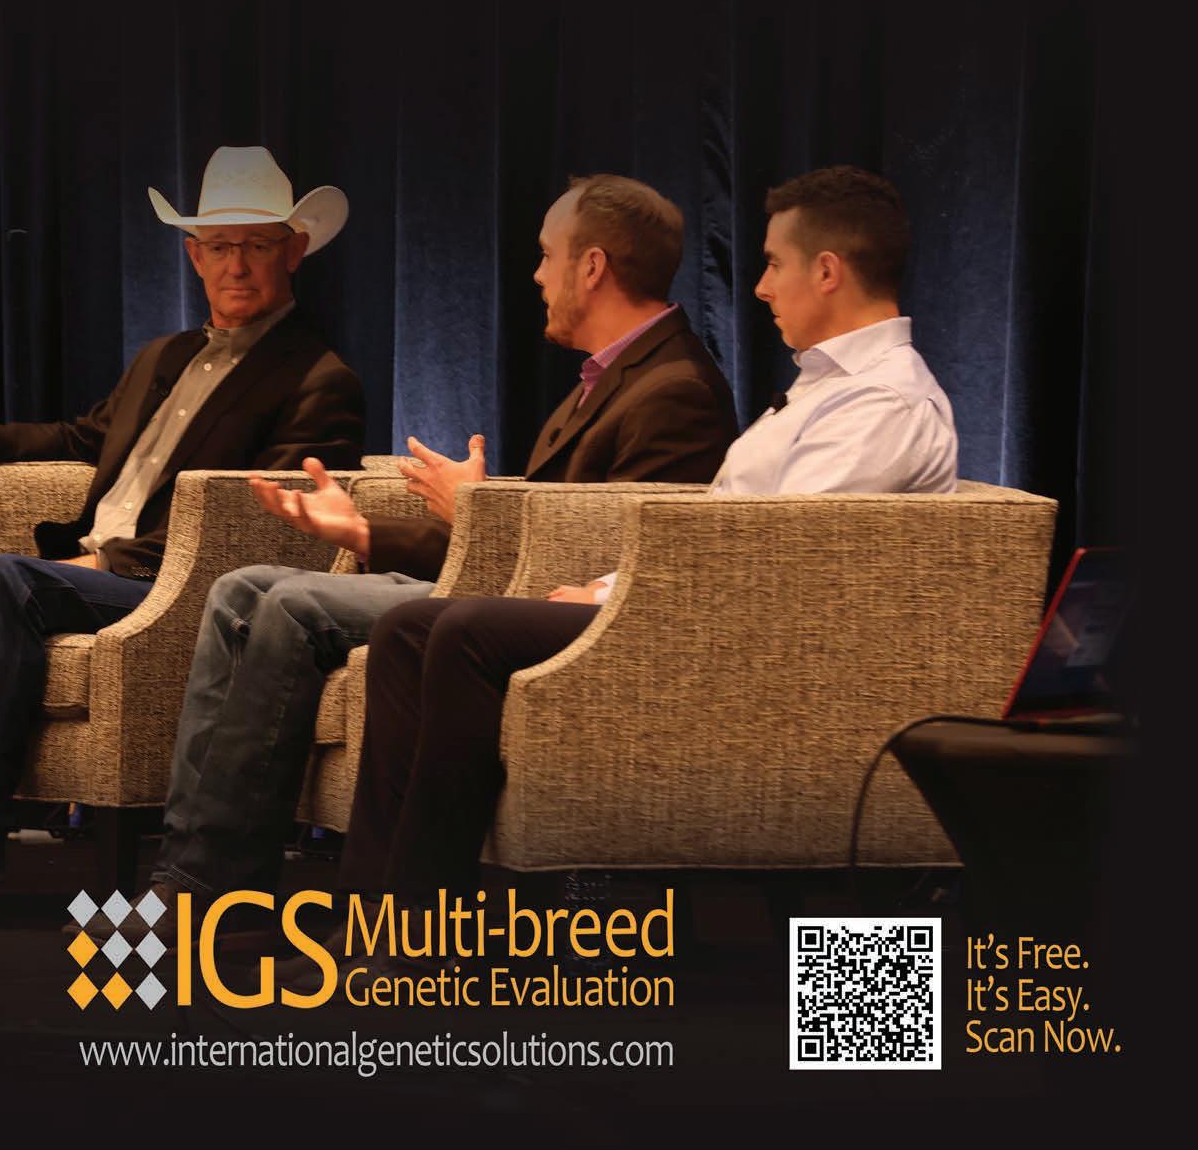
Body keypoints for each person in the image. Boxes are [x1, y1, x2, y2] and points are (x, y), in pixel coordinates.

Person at [307, 165, 957, 968]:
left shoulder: (881, 404)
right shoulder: (826, 390)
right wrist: (613, 587)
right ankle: (374, 927)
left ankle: (422, 940)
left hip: (754, 654)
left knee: (465, 631)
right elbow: (730, 538)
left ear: (826, 270)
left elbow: (772, 562)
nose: (759, 287)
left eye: (772, 264)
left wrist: (616, 597)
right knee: (411, 628)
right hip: (704, 615)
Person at [90, 174, 736, 936]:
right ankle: (194, 873)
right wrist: (364, 531)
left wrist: (478, 507)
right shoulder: (606, 380)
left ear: (591, 267)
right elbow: (543, 530)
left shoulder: (673, 388)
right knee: (242, 588)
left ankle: (224, 889)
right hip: (505, 590)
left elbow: (614, 557)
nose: (535, 275)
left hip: (540, 616)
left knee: (294, 606)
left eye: (545, 255)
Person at [0, 146, 366, 928]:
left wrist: (103, 559)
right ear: (194, 255)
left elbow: (256, 524)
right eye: (220, 245)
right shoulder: (165, 355)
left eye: (258, 243)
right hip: (81, 574)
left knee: (7, 577)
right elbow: (83, 436)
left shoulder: (317, 378)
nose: (237, 264)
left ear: (295, 250)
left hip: (167, 589)